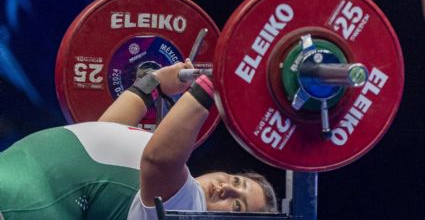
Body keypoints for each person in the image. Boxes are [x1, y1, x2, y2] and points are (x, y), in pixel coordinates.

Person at [0, 59, 277, 220]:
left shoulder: (187, 210)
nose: (225, 189)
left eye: (236, 205)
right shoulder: (172, 188)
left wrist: (214, 83)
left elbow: (161, 159)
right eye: (236, 181)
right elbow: (106, 133)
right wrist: (153, 83)